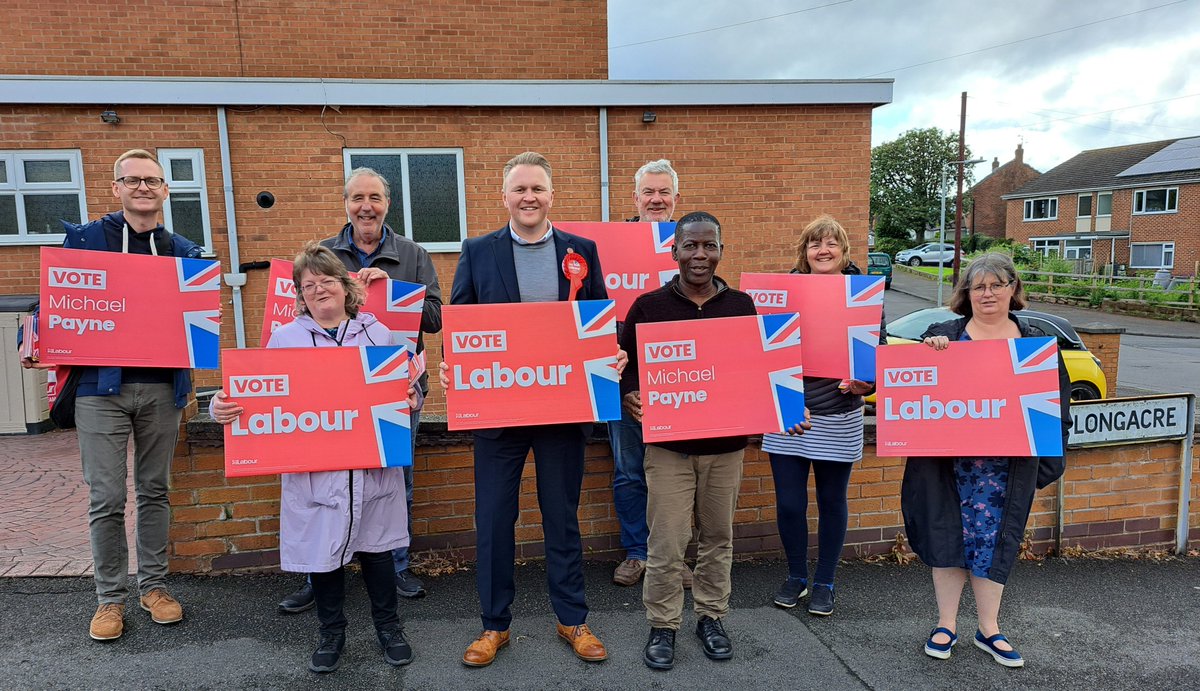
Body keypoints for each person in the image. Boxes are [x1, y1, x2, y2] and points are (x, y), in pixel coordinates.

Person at [211, 244, 420, 673]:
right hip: (316, 470)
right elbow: (256, 394)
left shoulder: (378, 333)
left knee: (377, 552)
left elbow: (407, 390)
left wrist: (412, 397)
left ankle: (389, 628)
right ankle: (331, 633)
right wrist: (220, 406)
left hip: (371, 466)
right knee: (324, 556)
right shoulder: (285, 339)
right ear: (300, 296)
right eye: (309, 285)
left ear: (346, 287)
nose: (319, 289)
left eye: (327, 281)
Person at [19, 149, 200, 641]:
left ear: (165, 190)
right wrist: (34, 332)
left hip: (163, 389)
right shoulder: (85, 240)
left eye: (153, 181)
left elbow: (196, 321)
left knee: (155, 492)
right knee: (107, 497)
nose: (143, 188)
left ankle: (155, 587)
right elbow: (54, 298)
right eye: (133, 180)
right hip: (101, 390)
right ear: (115, 187)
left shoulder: (184, 250)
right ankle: (109, 599)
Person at [442, 151, 613, 668]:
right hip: (499, 413)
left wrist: (614, 352)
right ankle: (495, 625)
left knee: (561, 518)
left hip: (562, 410)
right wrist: (453, 366)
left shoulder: (582, 250)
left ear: (551, 195)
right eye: (519, 189)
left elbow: (600, 320)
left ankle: (572, 618)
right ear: (505, 197)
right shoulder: (477, 251)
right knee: (494, 519)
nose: (529, 197)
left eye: (537, 188)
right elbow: (460, 325)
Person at [276, 167, 443, 613]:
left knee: (393, 478)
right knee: (317, 483)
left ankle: (396, 564)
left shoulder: (412, 254)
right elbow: (293, 318)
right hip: (322, 399)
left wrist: (397, 293)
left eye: (374, 197)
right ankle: (319, 572)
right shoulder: (323, 254)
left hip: (392, 389)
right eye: (356, 198)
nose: (365, 206)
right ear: (346, 203)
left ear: (388, 203)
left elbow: (435, 317)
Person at [901, 252, 1070, 668]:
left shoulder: (1033, 346)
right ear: (966, 293)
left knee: (993, 543)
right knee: (947, 538)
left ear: (1013, 289)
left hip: (1004, 470)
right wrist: (929, 351)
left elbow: (1057, 407)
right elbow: (910, 387)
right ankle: (946, 624)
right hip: (948, 466)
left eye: (997, 285)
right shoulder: (944, 336)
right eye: (979, 286)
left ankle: (989, 629)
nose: (988, 293)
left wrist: (1045, 466)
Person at [619, 212, 762, 671]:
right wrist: (629, 396)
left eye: (709, 245)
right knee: (666, 542)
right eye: (691, 246)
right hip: (669, 449)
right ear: (674, 250)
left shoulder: (742, 306)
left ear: (721, 249)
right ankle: (663, 625)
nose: (700, 255)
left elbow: (754, 373)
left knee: (718, 538)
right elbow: (624, 371)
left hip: (726, 450)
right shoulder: (647, 306)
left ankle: (711, 617)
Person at [763, 215, 886, 616]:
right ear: (805, 250)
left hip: (838, 415)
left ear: (844, 250)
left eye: (832, 243)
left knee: (832, 501)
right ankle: (797, 576)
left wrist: (865, 385)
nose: (824, 249)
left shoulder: (863, 295)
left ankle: (826, 581)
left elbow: (876, 360)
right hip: (789, 413)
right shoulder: (782, 292)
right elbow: (761, 349)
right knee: (789, 504)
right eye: (816, 242)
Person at [611, 159, 689, 588]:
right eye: (648, 192)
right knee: (629, 471)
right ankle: (638, 553)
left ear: (676, 199)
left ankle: (673, 558)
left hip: (683, 382)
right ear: (635, 197)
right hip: (625, 384)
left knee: (679, 474)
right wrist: (626, 385)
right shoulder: (607, 247)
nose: (655, 199)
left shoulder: (692, 244)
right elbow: (595, 318)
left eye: (664, 193)